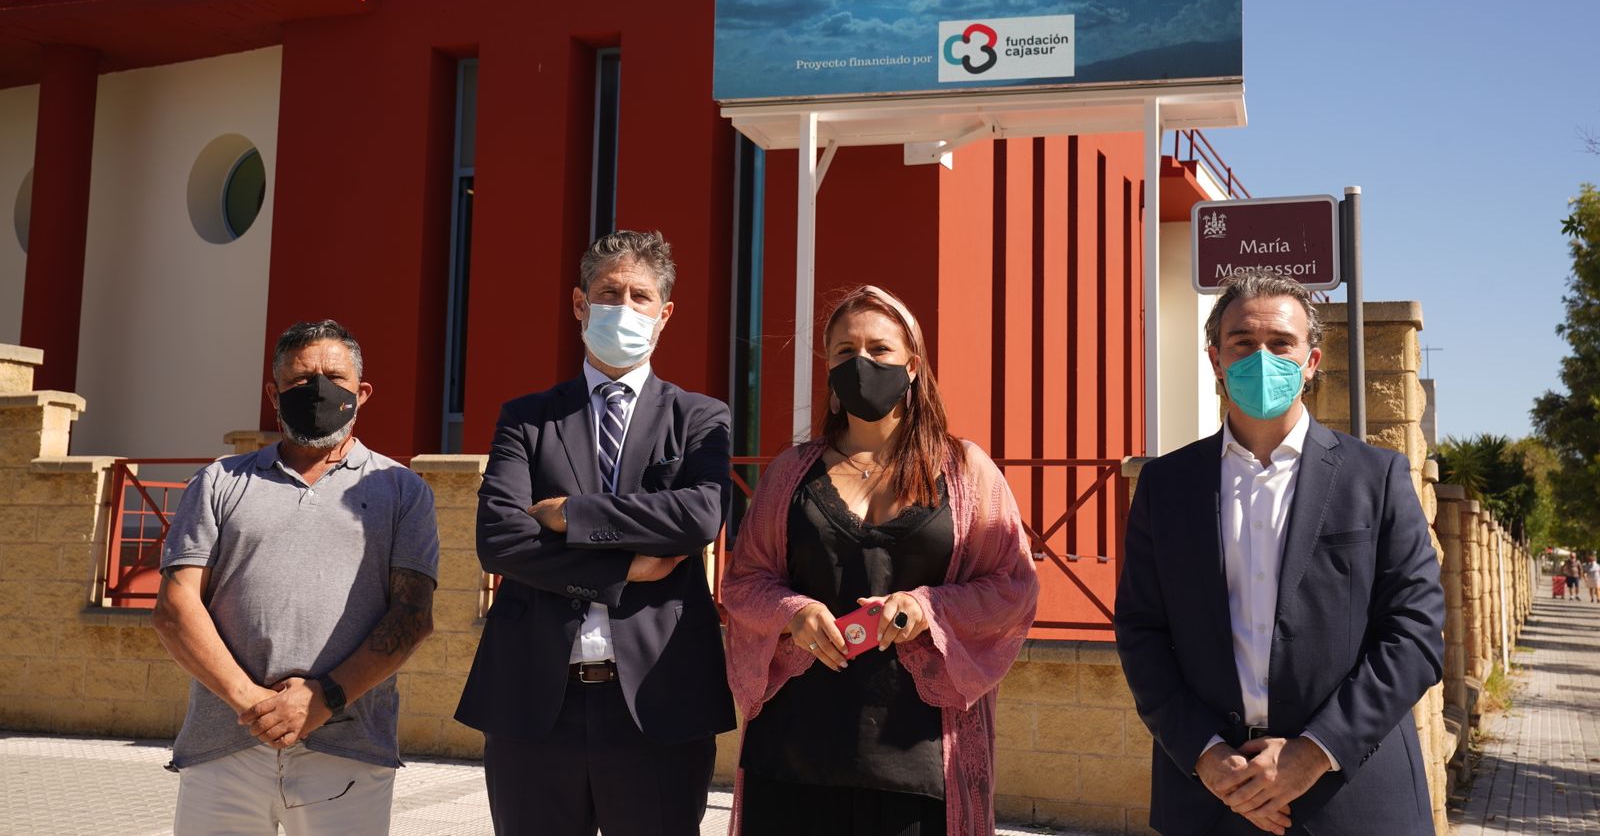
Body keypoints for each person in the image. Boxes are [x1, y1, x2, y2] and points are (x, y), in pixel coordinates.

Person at [1114, 270, 1445, 836]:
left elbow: (1415, 633)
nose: (1262, 358)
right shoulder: (1165, 487)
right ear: (1216, 360)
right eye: (1243, 342)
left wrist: (1311, 753)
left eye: (1281, 343)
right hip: (1210, 801)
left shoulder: (1377, 478)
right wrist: (1205, 755)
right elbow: (1141, 631)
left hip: (1352, 800)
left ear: (1311, 361)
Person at [721, 285, 1039, 836]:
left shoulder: (966, 470)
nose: (861, 362)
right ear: (829, 368)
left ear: (912, 365)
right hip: (791, 754)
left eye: (879, 349)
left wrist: (927, 608)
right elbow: (744, 583)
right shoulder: (791, 472)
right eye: (845, 351)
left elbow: (1013, 585)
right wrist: (792, 613)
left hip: (918, 761)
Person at [455, 229, 735, 836]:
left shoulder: (698, 417)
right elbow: (499, 540)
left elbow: (698, 517)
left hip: (658, 704)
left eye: (640, 296)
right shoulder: (527, 419)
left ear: (664, 314)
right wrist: (625, 567)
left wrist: (571, 516)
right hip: (534, 704)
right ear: (580, 304)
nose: (624, 307)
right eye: (609, 293)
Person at [153, 319, 440, 836]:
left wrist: (321, 699)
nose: (319, 390)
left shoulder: (403, 490)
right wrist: (254, 704)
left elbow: (412, 616)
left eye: (335, 378)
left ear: (362, 393)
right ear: (274, 394)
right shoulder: (219, 481)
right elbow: (176, 608)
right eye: (301, 380)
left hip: (348, 750)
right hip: (225, 748)